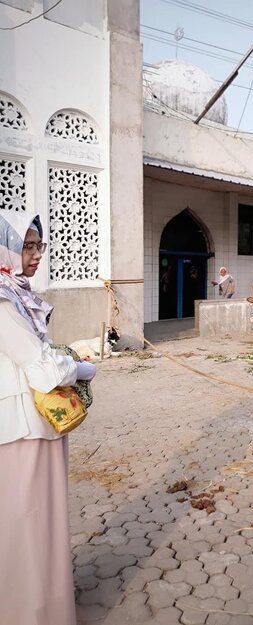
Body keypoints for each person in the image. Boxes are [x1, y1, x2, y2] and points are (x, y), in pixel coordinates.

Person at [0, 209, 96, 625]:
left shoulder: (16, 293)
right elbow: (41, 367)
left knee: (39, 518)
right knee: (27, 521)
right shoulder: (3, 299)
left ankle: (48, 604)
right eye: (27, 246)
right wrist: (81, 368)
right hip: (21, 429)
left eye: (39, 245)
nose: (37, 255)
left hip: (37, 424)